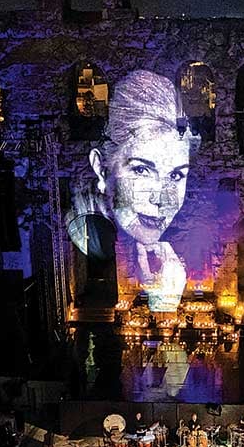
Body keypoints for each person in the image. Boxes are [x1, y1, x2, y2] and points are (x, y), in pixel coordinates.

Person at [67, 70, 200, 313]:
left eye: (175, 175)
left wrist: (164, 300)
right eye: (141, 170)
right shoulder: (83, 235)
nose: (163, 200)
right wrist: (164, 305)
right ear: (101, 168)